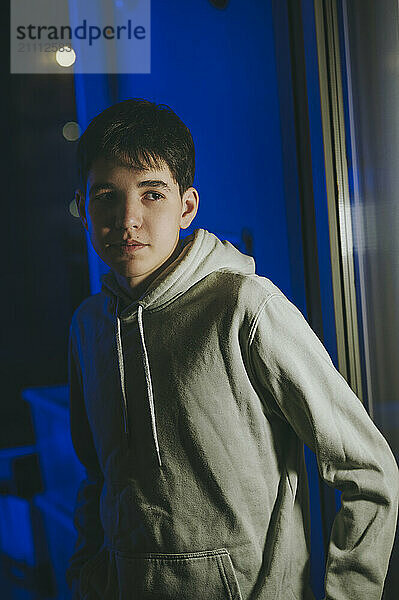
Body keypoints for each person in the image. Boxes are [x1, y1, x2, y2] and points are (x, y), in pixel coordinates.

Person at [66, 98, 398, 600]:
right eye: (106, 197)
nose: (127, 218)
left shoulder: (246, 307)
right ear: (84, 210)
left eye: (151, 194)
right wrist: (86, 578)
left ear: (187, 207)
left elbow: (368, 470)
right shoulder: (88, 326)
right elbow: (97, 477)